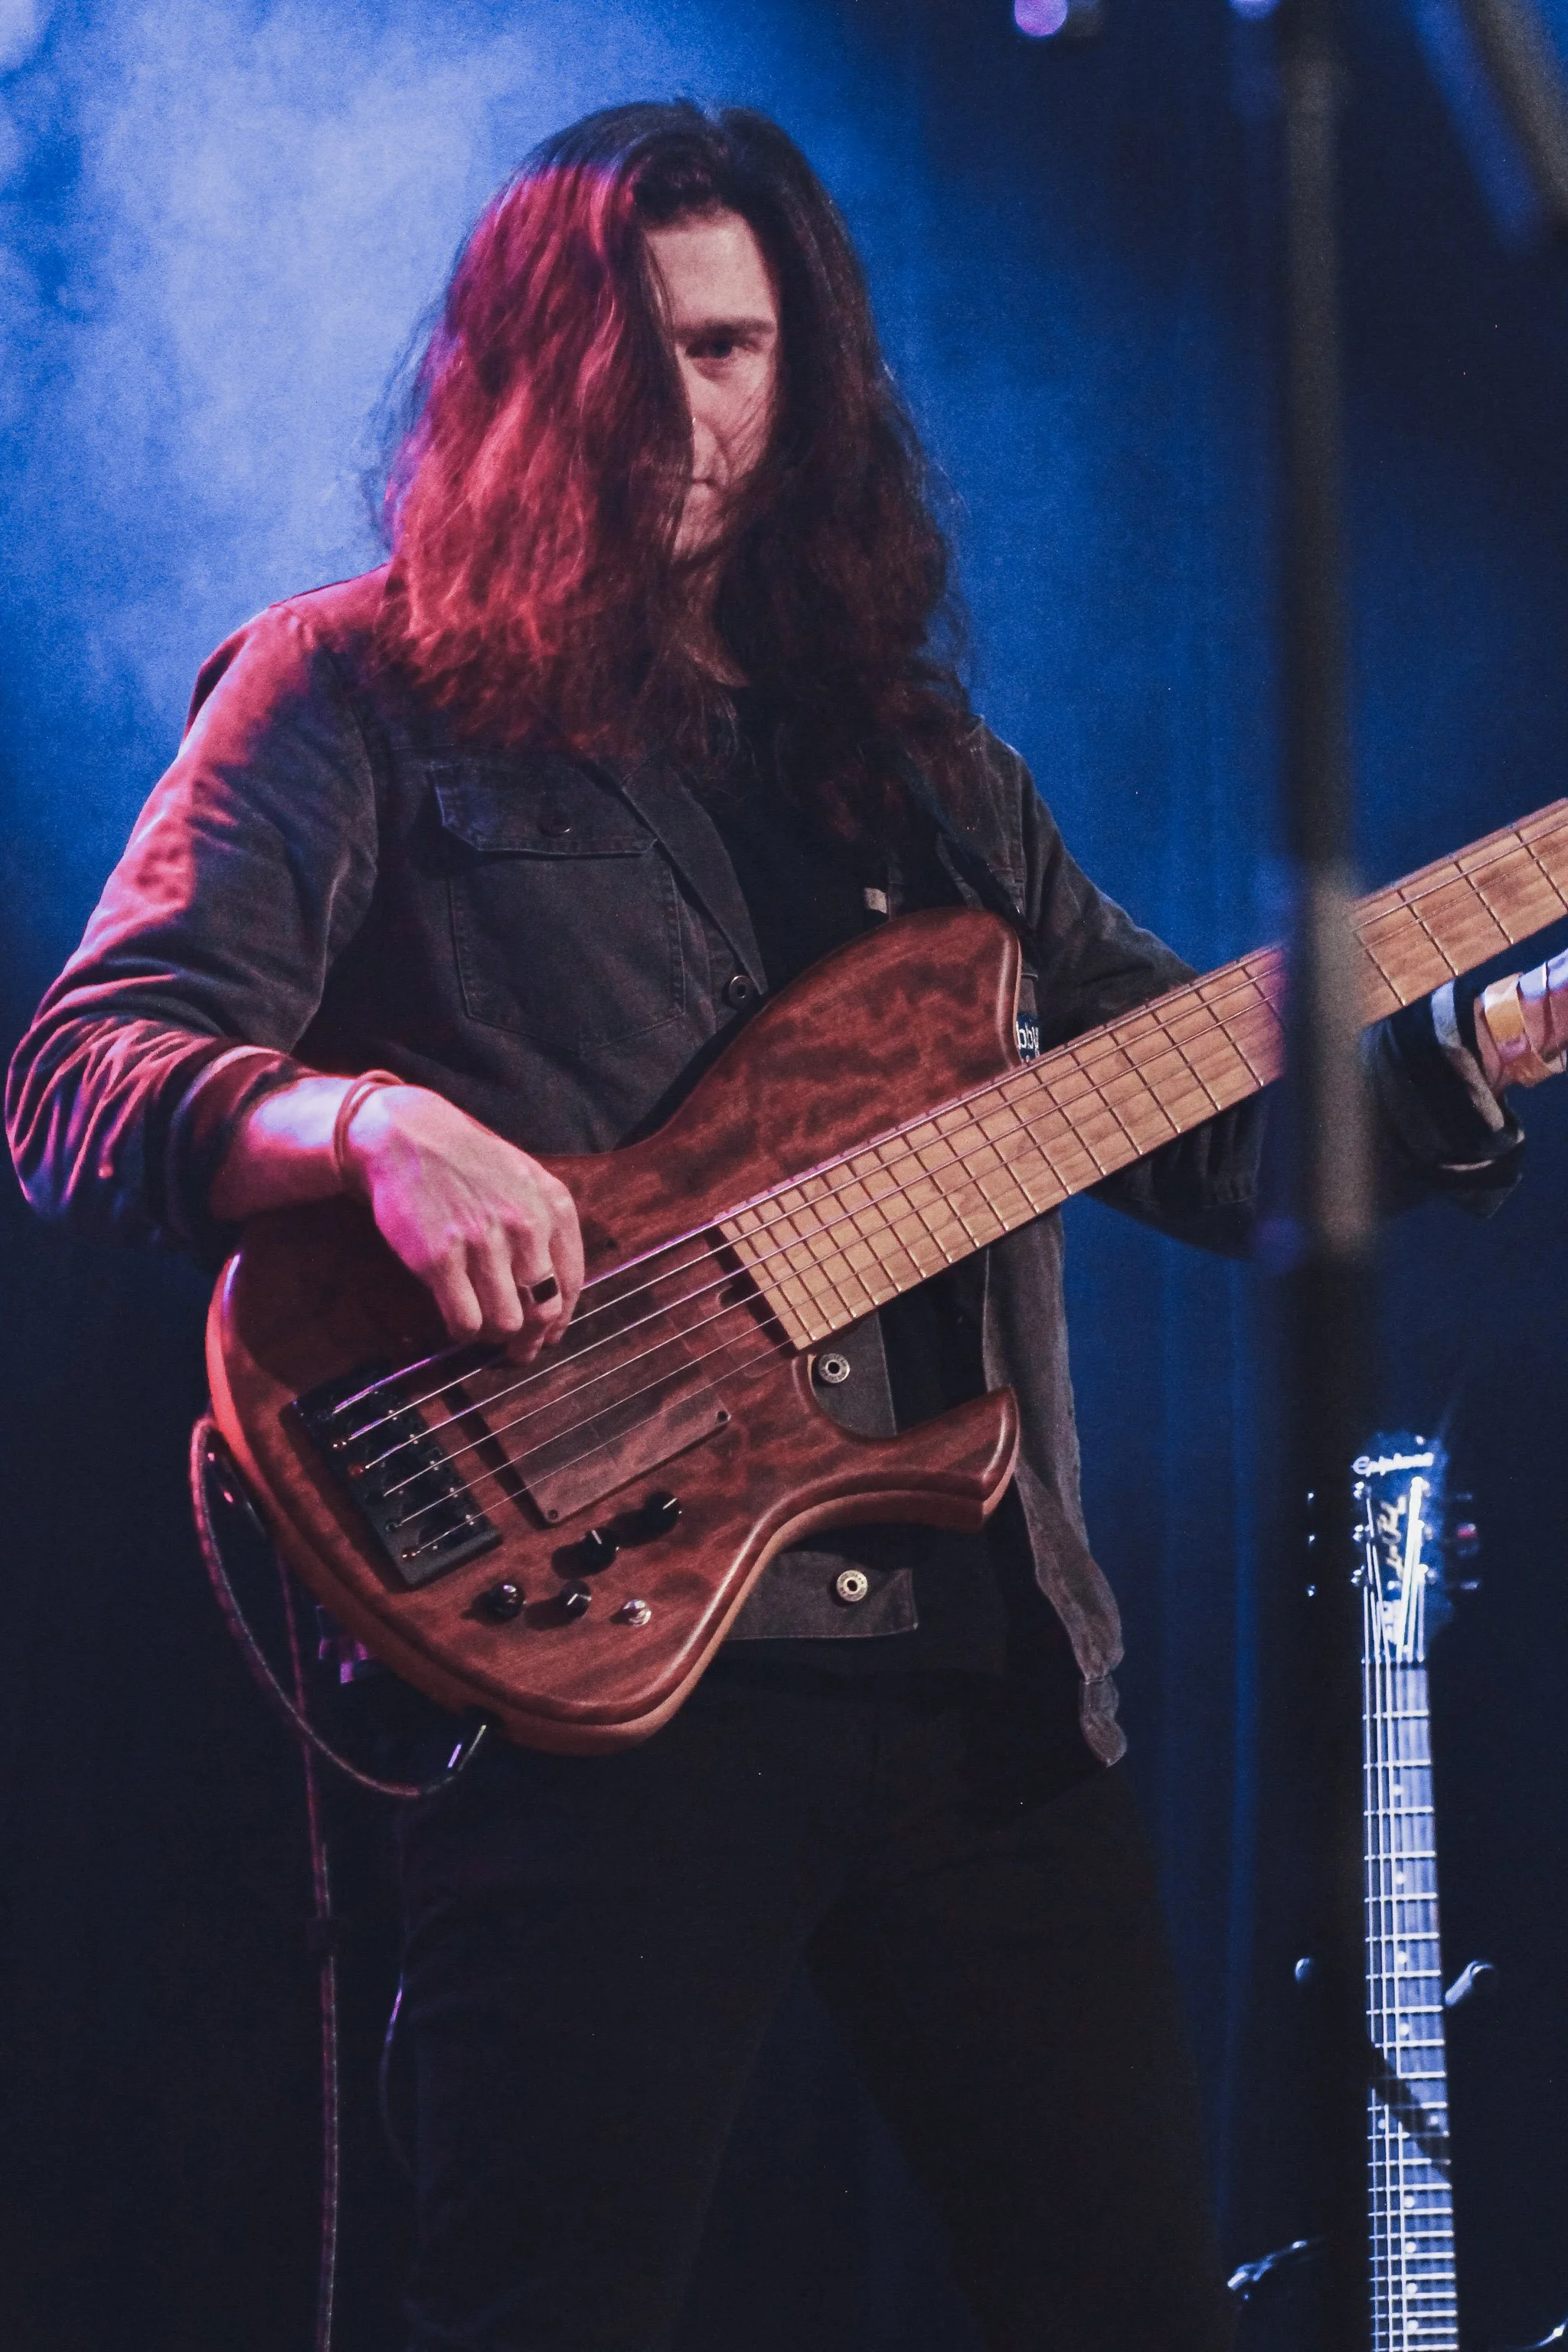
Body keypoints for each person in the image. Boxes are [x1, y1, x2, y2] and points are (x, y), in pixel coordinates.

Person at [8, 101, 1566, 2352]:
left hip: (990, 1683)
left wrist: (1484, 1045)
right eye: (633, 349)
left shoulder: (919, 760)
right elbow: (81, 1072)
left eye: (735, 351)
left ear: (808, 376)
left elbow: (1200, 1131)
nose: (687, 414)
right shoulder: (348, 689)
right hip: (606, 1673)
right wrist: (357, 1121)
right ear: (524, 370)